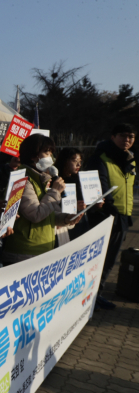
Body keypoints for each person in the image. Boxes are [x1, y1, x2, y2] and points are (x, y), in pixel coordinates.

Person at [1, 134, 81, 265]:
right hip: (24, 252)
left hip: (41, 249)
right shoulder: (23, 180)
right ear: (33, 156)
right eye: (46, 152)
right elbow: (35, 214)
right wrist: (55, 192)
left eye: (51, 153)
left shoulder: (42, 179)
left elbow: (48, 214)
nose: (50, 158)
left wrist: (65, 218)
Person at [86, 123, 136, 309]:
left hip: (123, 216)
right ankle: (91, 296)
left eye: (131, 136)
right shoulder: (101, 157)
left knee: (109, 261)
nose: (128, 140)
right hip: (105, 216)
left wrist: (127, 214)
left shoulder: (130, 159)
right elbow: (100, 187)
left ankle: (97, 293)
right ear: (113, 136)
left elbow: (128, 189)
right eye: (123, 135)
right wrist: (111, 211)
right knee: (100, 259)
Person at [54, 147, 89, 243]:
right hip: (63, 226)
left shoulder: (79, 179)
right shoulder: (56, 181)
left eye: (80, 161)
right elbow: (52, 203)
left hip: (80, 222)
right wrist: (74, 206)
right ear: (64, 161)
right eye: (75, 160)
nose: (79, 164)